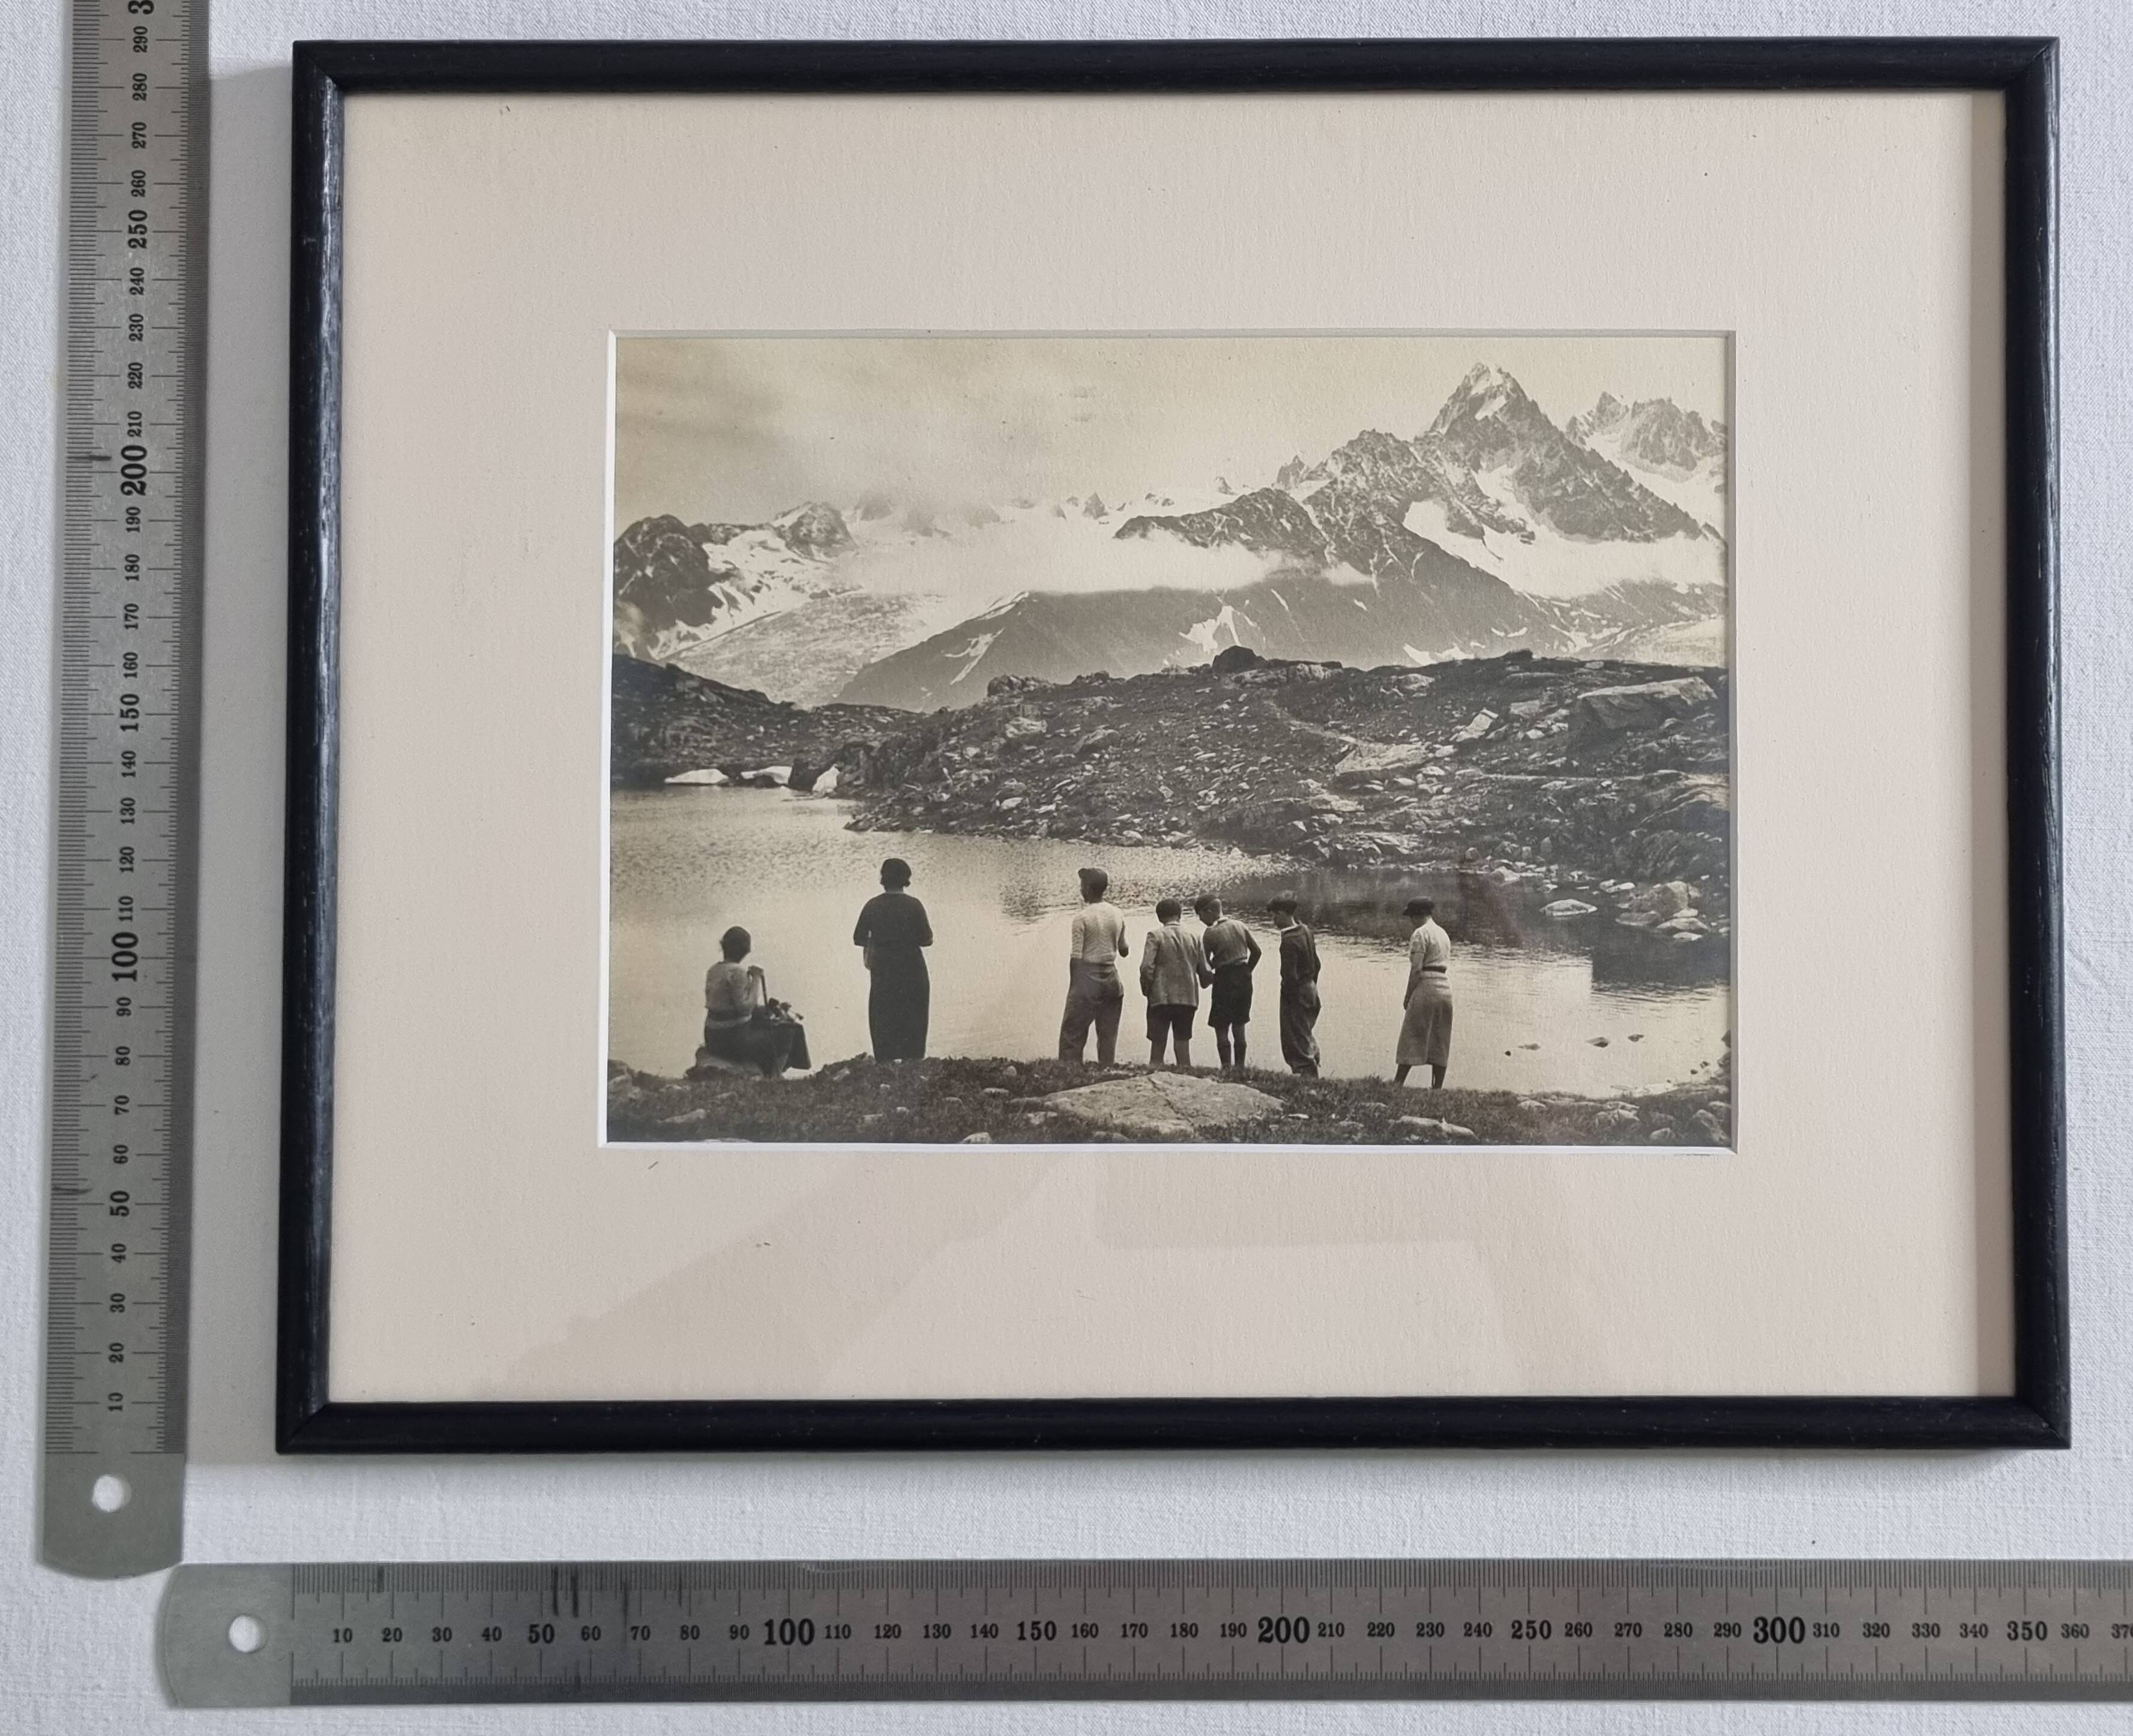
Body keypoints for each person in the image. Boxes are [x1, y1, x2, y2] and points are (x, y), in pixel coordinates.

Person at [690, 926, 811, 1078]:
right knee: (789, 1031)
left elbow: (732, 1006)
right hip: (732, 1040)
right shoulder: (737, 973)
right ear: (746, 950)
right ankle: (775, 1076)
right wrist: (756, 979)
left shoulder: (714, 970)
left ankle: (766, 1071)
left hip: (713, 1037)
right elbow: (745, 1009)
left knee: (767, 1018)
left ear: (724, 946)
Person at [852, 857, 932, 1061]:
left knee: (883, 1015)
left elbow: (858, 938)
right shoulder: (915, 905)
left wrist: (878, 939)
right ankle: (913, 1062)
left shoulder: (872, 905)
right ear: (906, 879)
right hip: (913, 967)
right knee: (914, 1015)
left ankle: (885, 1063)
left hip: (884, 968)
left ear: (883, 879)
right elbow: (927, 940)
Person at [1059, 866, 1129, 1064]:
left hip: (1089, 978)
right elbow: (1124, 950)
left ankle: (1069, 1072)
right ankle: (1106, 1070)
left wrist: (1074, 987)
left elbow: (1076, 957)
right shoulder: (1118, 913)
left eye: (1082, 885)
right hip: (1112, 978)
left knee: (1072, 1033)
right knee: (1108, 1034)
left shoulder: (1082, 917)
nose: (1081, 889)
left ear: (1088, 889)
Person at [1194, 894, 1262, 1077]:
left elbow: (1205, 964)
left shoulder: (1210, 934)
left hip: (1224, 979)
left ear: (1209, 912)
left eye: (1200, 915)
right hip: (1244, 978)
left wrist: (1210, 971)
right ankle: (1240, 1067)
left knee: (1221, 1024)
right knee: (1240, 1023)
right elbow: (1257, 952)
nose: (1200, 919)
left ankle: (1226, 1067)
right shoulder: (1240, 925)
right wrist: (1248, 970)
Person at [1139, 897, 1209, 1070]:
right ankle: (1186, 1079)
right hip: (1188, 997)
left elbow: (1146, 967)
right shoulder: (1195, 937)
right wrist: (1206, 983)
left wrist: (1147, 989)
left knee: (1158, 1044)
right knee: (1183, 1042)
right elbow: (1205, 971)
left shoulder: (1155, 935)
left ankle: (1155, 1078)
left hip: (1161, 996)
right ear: (1180, 915)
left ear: (1159, 917)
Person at [1393, 896, 1454, 1089]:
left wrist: (1408, 995)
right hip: (1445, 986)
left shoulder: (1420, 934)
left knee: (1411, 1034)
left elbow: (1416, 969)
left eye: (1412, 916)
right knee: (1441, 1037)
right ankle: (1437, 1088)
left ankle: (1398, 1083)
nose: (1411, 921)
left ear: (1418, 916)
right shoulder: (1443, 933)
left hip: (1427, 985)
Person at [1269, 892, 1322, 1077]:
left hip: (1297, 993)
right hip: (1311, 989)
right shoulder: (1305, 930)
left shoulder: (1288, 941)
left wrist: (1290, 999)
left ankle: (1306, 1076)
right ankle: (1313, 1062)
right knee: (1305, 1031)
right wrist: (1312, 983)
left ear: (1283, 913)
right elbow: (1317, 964)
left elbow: (1289, 976)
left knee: (1293, 1035)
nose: (1274, 919)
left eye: (1275, 915)